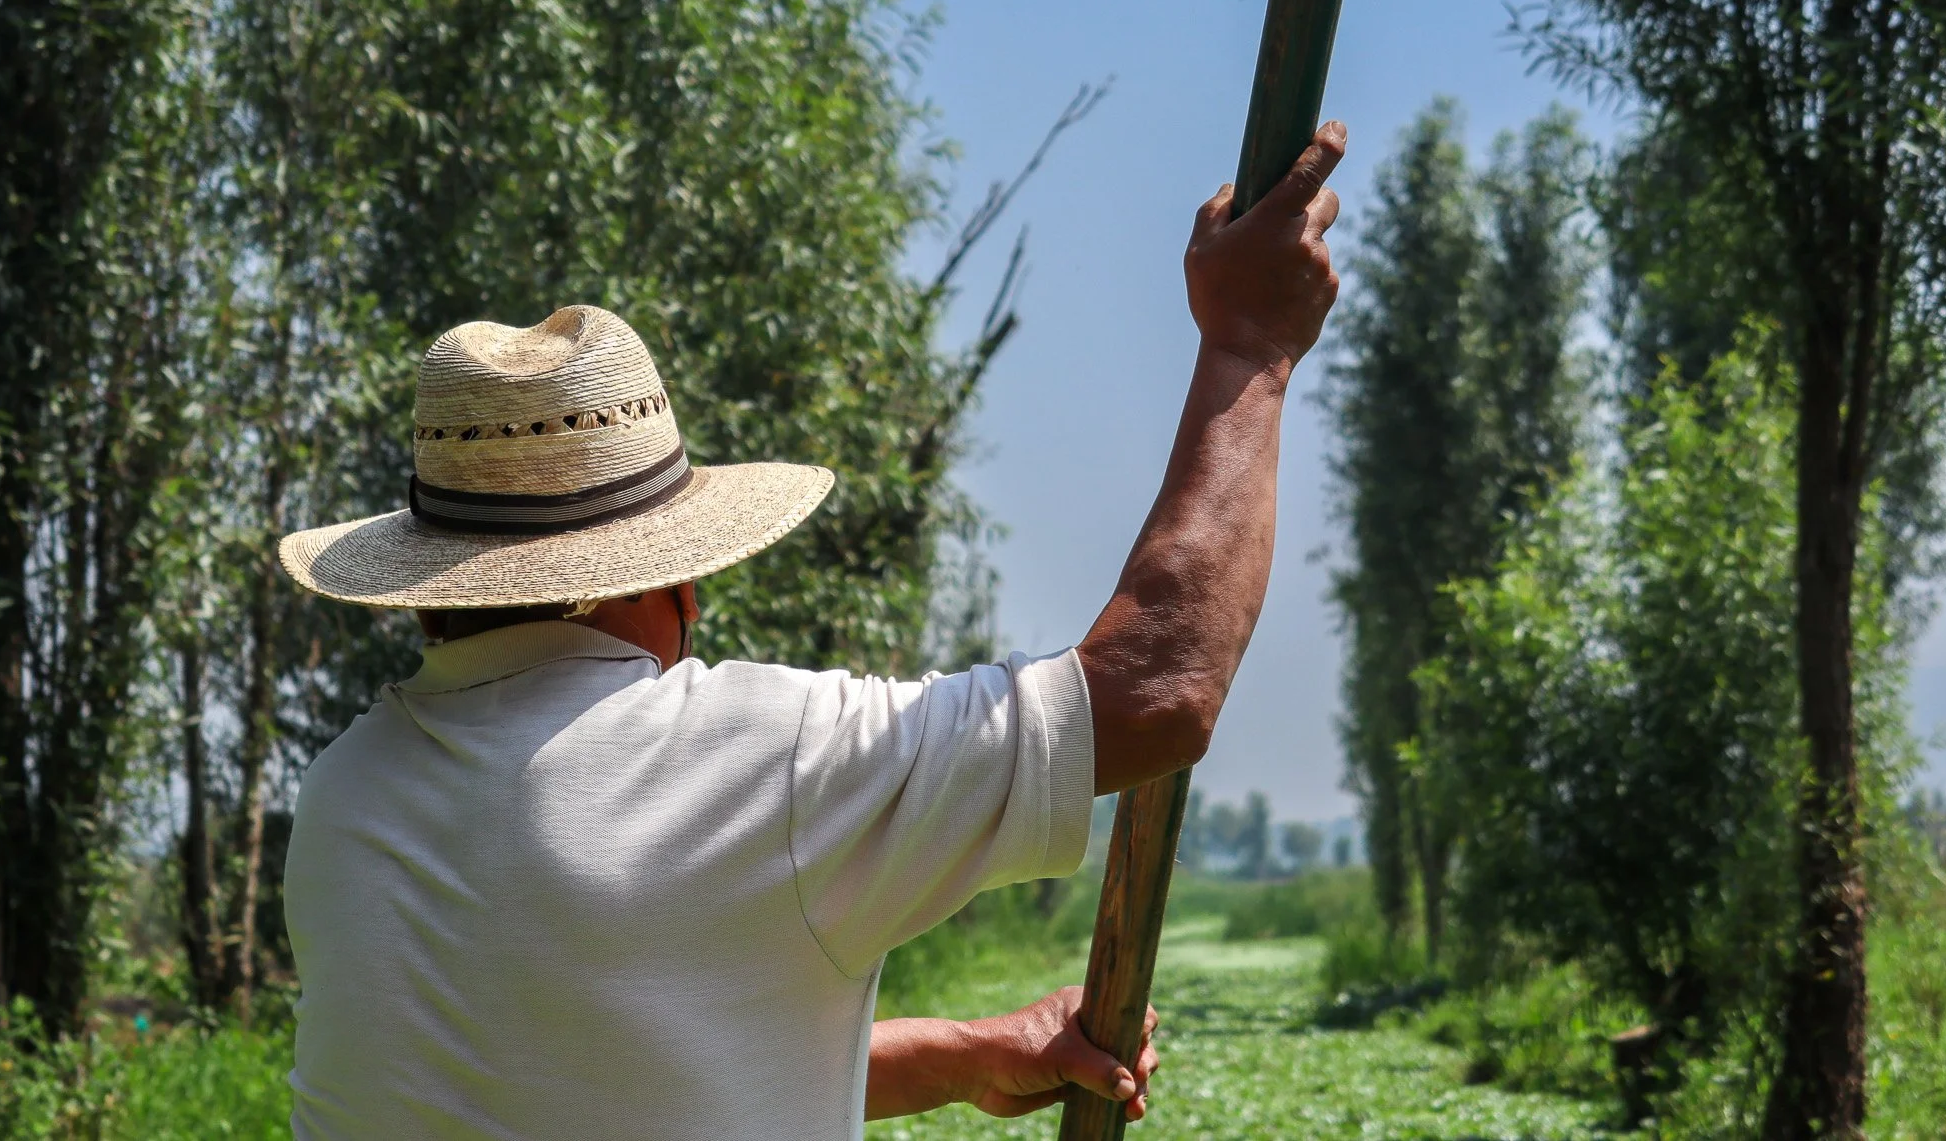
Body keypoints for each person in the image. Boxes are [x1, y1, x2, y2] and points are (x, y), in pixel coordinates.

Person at [276, 123, 1347, 1139]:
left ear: (429, 591)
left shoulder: (342, 799)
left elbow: (649, 1054)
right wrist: (1249, 348)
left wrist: (976, 1053)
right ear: (676, 579)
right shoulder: (743, 754)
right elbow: (1151, 693)